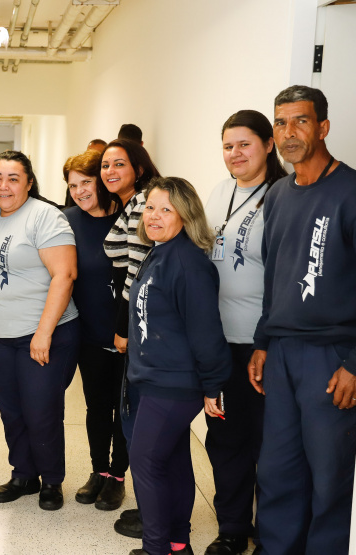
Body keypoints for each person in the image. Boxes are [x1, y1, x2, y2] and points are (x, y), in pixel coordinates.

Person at [250, 86, 356, 554]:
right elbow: (275, 276)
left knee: (331, 478)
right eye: (281, 123)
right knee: (277, 470)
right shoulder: (279, 195)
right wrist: (263, 341)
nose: (289, 132)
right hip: (282, 354)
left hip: (332, 358)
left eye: (300, 121)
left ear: (323, 127)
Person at [0, 151, 79, 511]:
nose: (4, 186)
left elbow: (64, 275)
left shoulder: (45, 216)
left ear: (29, 182)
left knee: (41, 409)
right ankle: (23, 474)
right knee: (10, 408)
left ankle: (51, 480)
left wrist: (43, 332)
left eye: (13, 178)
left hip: (42, 333)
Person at [127, 177, 232, 555]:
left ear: (185, 216)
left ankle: (157, 549)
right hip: (155, 378)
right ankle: (176, 544)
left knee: (145, 463)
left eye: (165, 210)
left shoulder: (187, 263)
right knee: (171, 461)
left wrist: (212, 386)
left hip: (173, 384)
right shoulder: (161, 251)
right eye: (150, 208)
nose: (154, 216)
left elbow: (206, 332)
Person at [201, 110, 287, 555]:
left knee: (266, 443)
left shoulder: (283, 196)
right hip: (218, 342)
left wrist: (267, 340)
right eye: (227, 146)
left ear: (268, 144)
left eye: (244, 144)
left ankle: (271, 531)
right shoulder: (220, 191)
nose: (234, 154)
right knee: (224, 439)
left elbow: (285, 278)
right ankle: (233, 527)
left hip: (261, 344)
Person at [62, 150, 128, 511]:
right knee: (96, 406)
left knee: (124, 408)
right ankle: (99, 471)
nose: (79, 191)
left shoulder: (129, 217)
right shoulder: (66, 220)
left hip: (126, 334)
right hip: (89, 332)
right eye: (72, 185)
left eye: (85, 182)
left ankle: (118, 476)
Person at [101, 138, 160, 539]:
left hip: (142, 327)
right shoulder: (130, 203)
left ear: (137, 168)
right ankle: (149, 507)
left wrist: (123, 330)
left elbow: (134, 278)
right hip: (138, 321)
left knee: (140, 419)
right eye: (105, 165)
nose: (109, 171)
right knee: (133, 416)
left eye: (119, 164)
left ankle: (153, 511)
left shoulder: (142, 204)